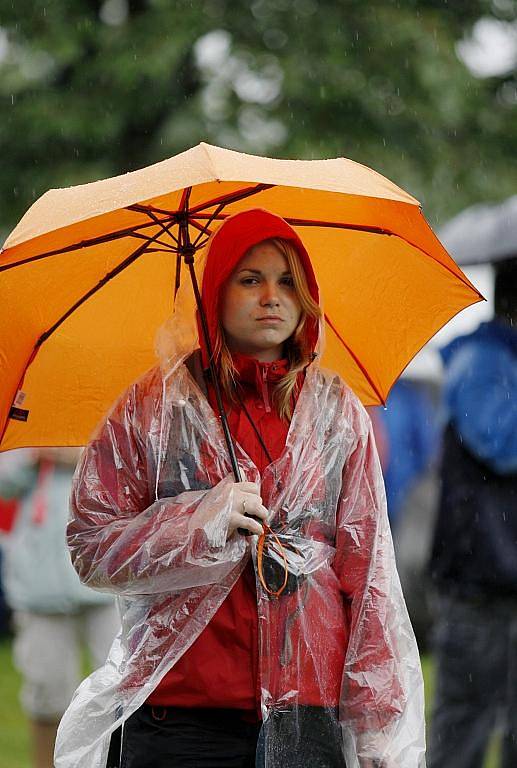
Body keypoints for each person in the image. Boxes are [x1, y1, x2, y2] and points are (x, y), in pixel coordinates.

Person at [55, 208, 425, 768]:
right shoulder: (155, 409)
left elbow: (367, 569)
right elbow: (91, 545)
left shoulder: (335, 414)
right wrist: (195, 522)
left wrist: (375, 723)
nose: (271, 297)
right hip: (181, 714)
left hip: (306, 717)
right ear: (215, 293)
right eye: (250, 279)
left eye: (287, 282)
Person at [427, 257, 517, 768]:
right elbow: (501, 444)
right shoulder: (482, 362)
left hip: (502, 579)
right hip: (480, 584)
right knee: (463, 731)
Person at [0, 447, 119, 768]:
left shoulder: (113, 411)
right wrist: (34, 458)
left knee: (116, 695)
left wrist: (84, 455)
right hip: (41, 583)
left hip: (107, 580)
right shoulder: (29, 416)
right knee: (46, 693)